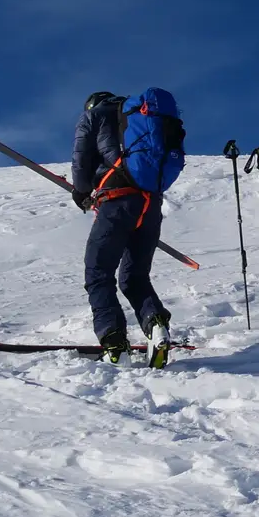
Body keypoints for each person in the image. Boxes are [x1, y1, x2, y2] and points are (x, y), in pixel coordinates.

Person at [71, 89, 187, 366]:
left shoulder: (94, 116)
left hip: (116, 203)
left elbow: (82, 158)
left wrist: (81, 191)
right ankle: (157, 326)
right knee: (134, 277)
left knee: (98, 272)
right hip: (150, 206)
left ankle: (114, 343)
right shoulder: (140, 118)